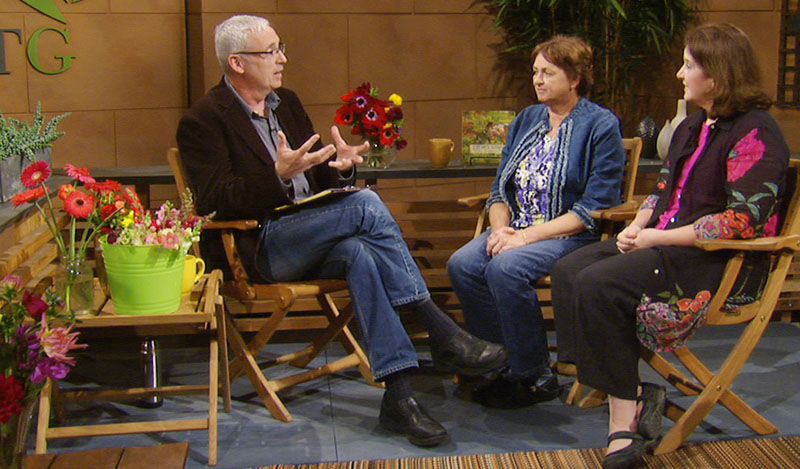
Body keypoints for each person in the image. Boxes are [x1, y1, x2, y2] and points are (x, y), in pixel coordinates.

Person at [176, 15, 507, 448]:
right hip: (260, 246)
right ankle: (438, 329)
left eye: (280, 47)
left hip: (312, 232)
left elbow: (317, 181)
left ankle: (400, 398)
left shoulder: (286, 103)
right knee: (366, 204)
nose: (283, 58)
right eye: (271, 51)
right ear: (237, 63)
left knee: (360, 253)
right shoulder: (203, 120)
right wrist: (275, 176)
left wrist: (341, 169)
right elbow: (213, 201)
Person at [551, 23, 790, 469]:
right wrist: (637, 225)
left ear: (716, 75)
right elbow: (663, 189)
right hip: (663, 242)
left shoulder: (757, 133)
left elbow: (740, 221)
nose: (680, 75)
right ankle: (634, 386)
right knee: (570, 268)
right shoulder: (693, 124)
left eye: (688, 65)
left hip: (712, 261)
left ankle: (623, 418)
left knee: (600, 284)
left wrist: (657, 236)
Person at [446, 35, 625, 409]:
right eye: (535, 72)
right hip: (517, 228)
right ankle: (496, 360)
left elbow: (595, 207)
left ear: (574, 78)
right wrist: (499, 230)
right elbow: (499, 191)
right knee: (462, 264)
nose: (538, 80)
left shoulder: (600, 125)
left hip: (570, 235)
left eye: (548, 72)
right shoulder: (528, 119)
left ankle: (533, 374)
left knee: (506, 269)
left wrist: (524, 238)